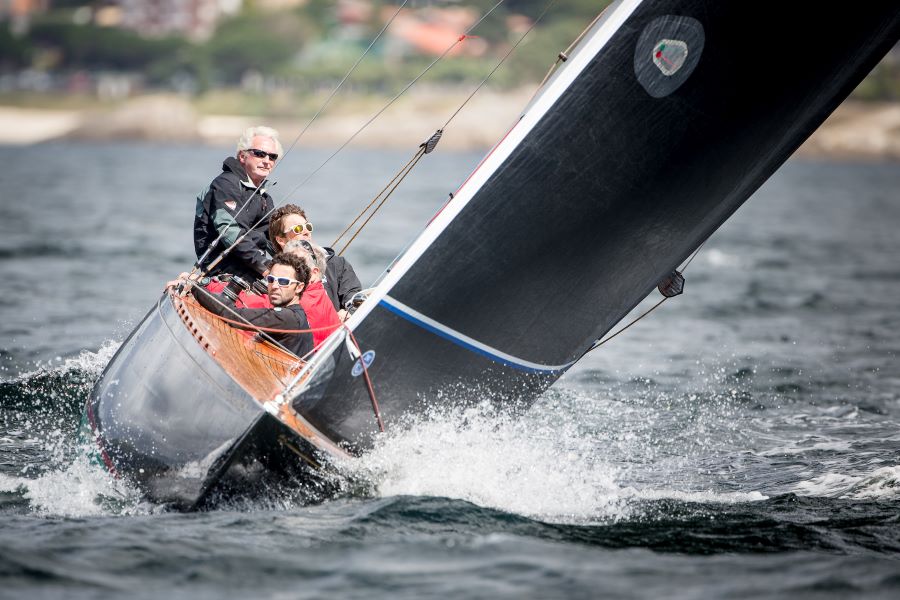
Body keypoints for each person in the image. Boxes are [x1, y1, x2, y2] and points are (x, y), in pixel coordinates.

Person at [170, 252, 314, 358]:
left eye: (283, 282)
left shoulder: (287, 317)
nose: (275, 286)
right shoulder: (297, 315)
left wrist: (195, 287)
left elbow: (232, 315)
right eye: (271, 279)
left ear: (299, 287)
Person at [193, 126, 282, 282]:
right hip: (221, 272)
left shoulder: (265, 198)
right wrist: (264, 266)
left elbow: (275, 239)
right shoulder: (225, 184)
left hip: (251, 273)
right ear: (242, 156)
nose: (267, 161)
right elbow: (229, 231)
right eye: (260, 154)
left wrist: (295, 261)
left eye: (272, 157)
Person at [268, 204, 362, 319]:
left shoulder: (337, 264)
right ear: (281, 240)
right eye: (298, 229)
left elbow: (353, 296)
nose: (306, 232)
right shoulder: (274, 277)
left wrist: (348, 312)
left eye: (308, 227)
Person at [283, 239, 342, 348]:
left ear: (314, 273)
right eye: (285, 262)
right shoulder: (319, 294)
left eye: (297, 265)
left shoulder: (302, 300)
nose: (286, 270)